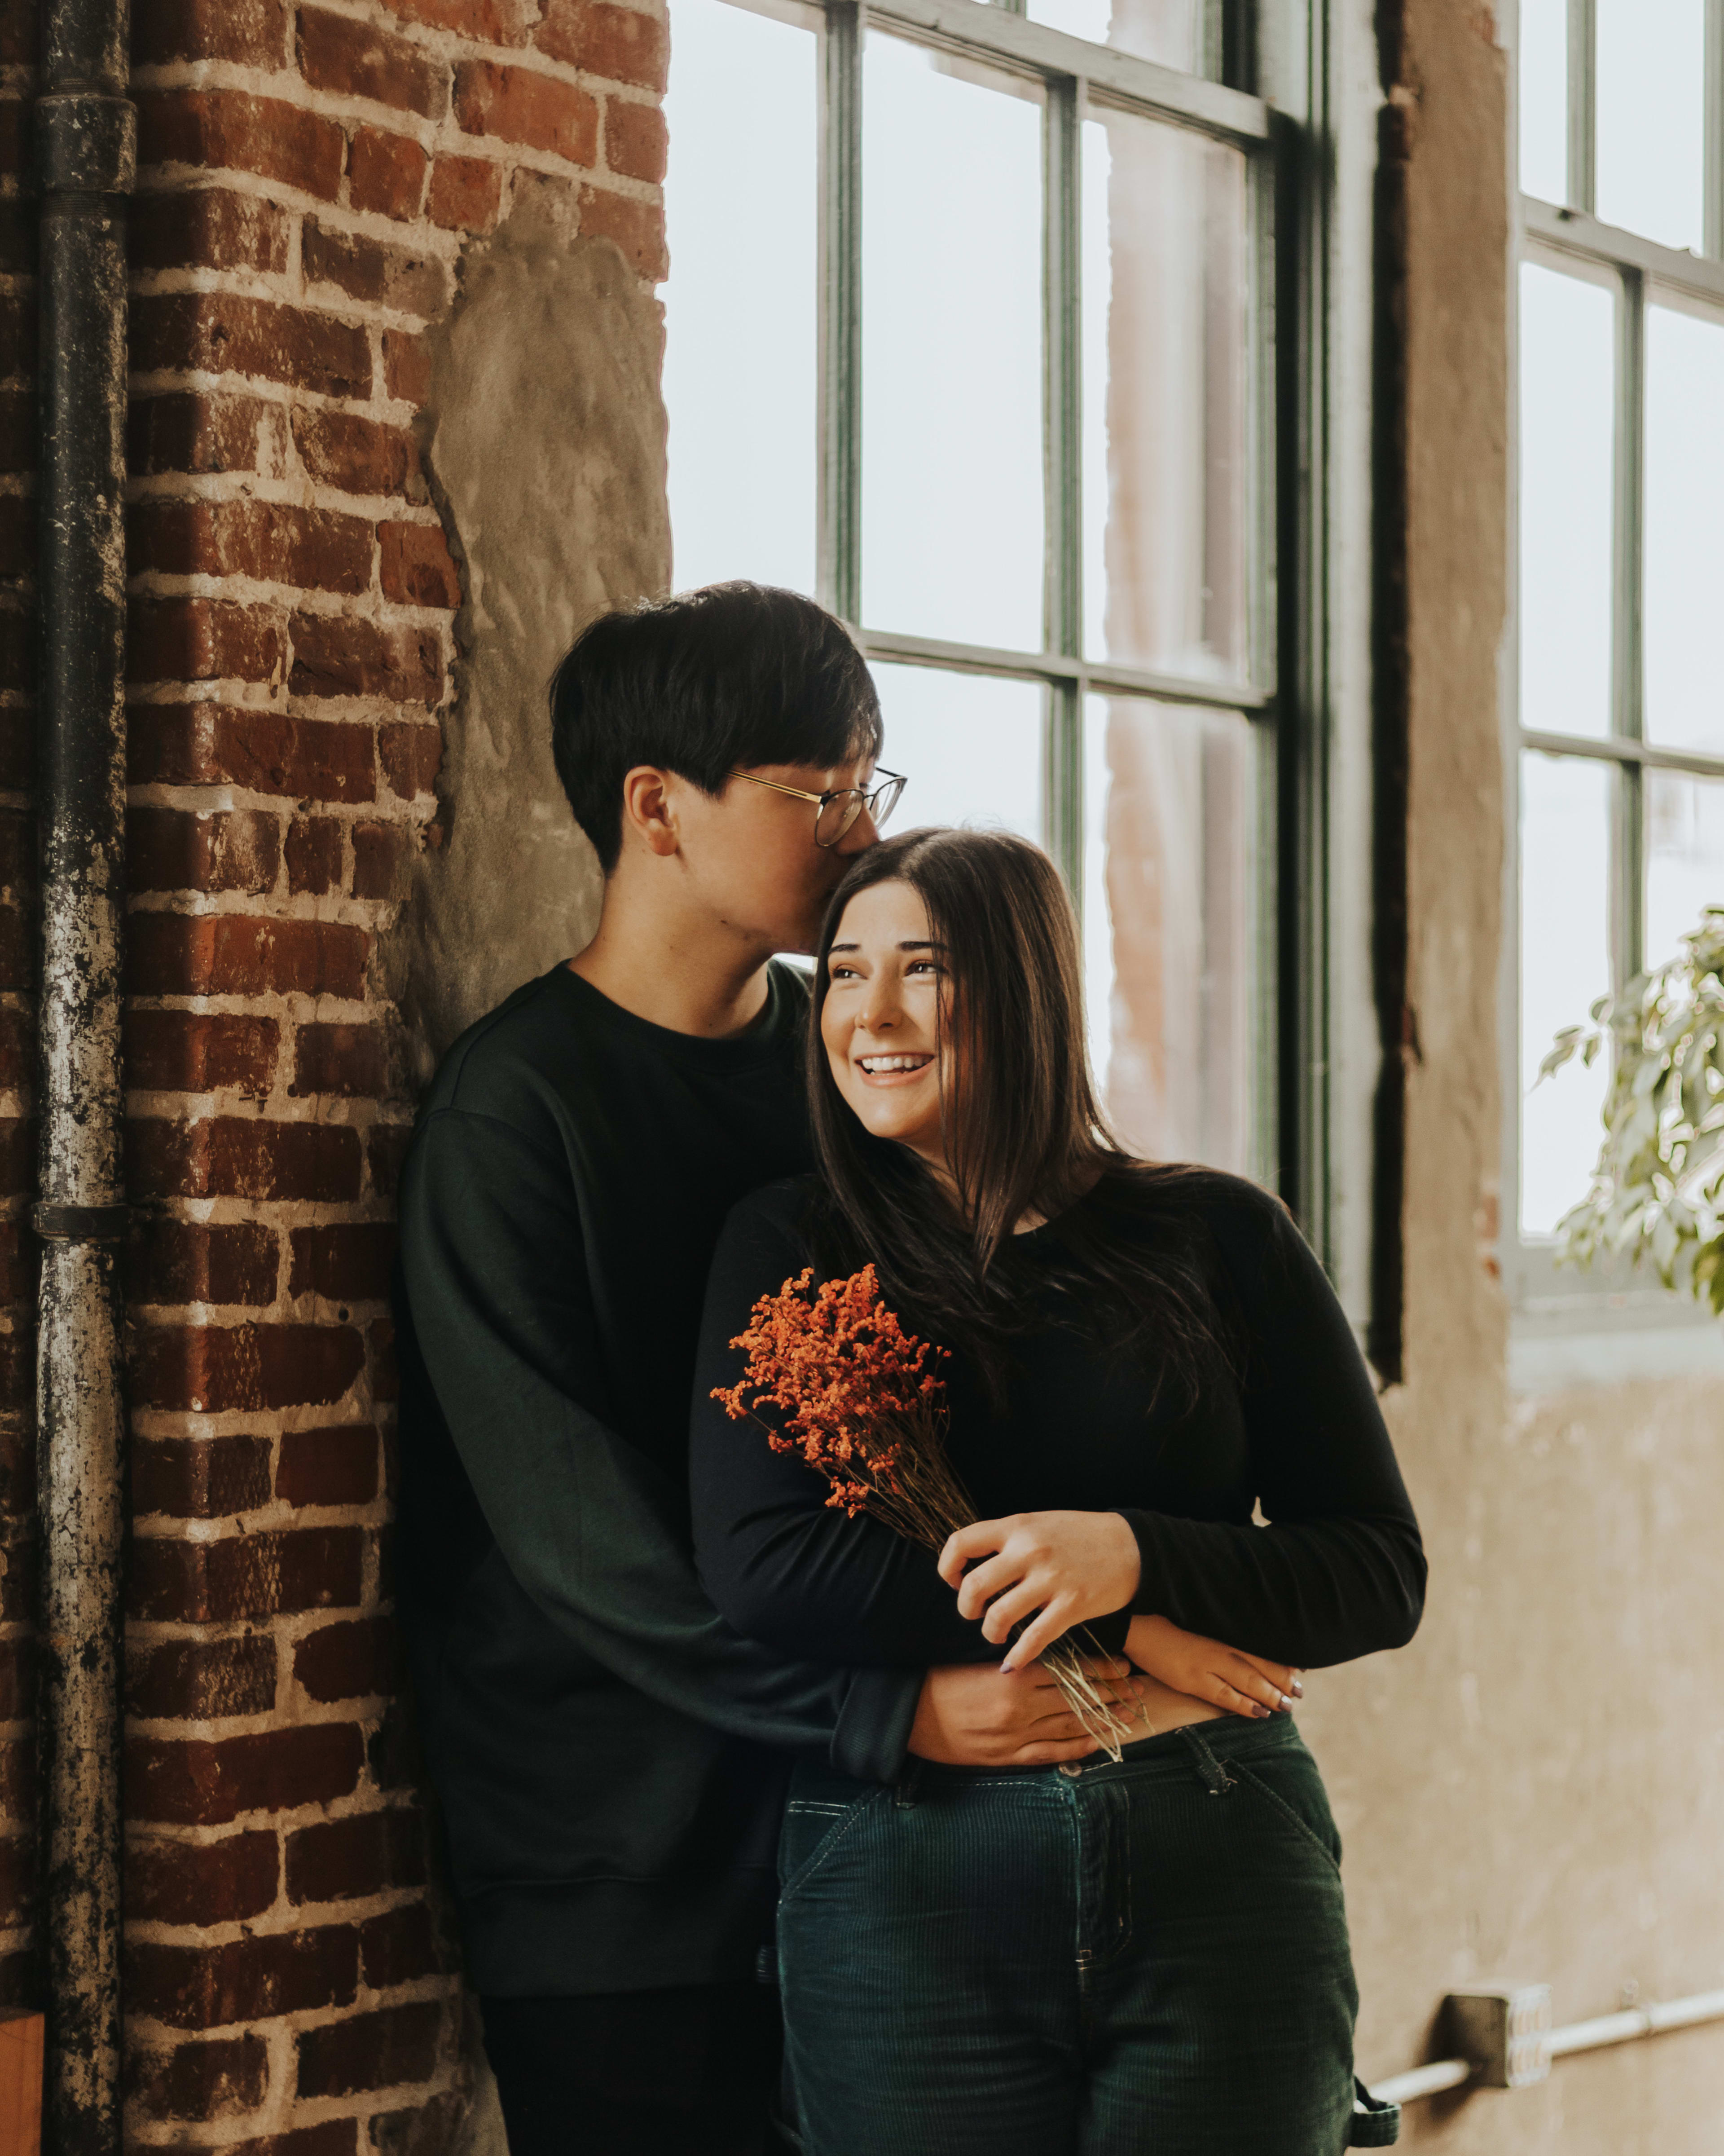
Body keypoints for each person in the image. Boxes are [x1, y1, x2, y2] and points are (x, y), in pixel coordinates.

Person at [392, 586, 1144, 2156]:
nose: (862, 833)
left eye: (875, 786)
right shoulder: (513, 1115)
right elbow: (580, 1548)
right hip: (625, 1873)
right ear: (655, 808)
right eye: (819, 794)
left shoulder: (849, 1060)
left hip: (888, 1838)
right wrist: (889, 1715)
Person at [689, 825, 1427, 2156]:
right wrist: (1125, 1623)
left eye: (923, 968)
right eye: (846, 971)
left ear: (1026, 988)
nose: (873, 1013)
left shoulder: (1219, 1234)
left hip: (1217, 1843)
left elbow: (1378, 1569)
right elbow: (765, 1565)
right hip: (909, 1865)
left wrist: (1135, 1552)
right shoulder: (789, 1243)